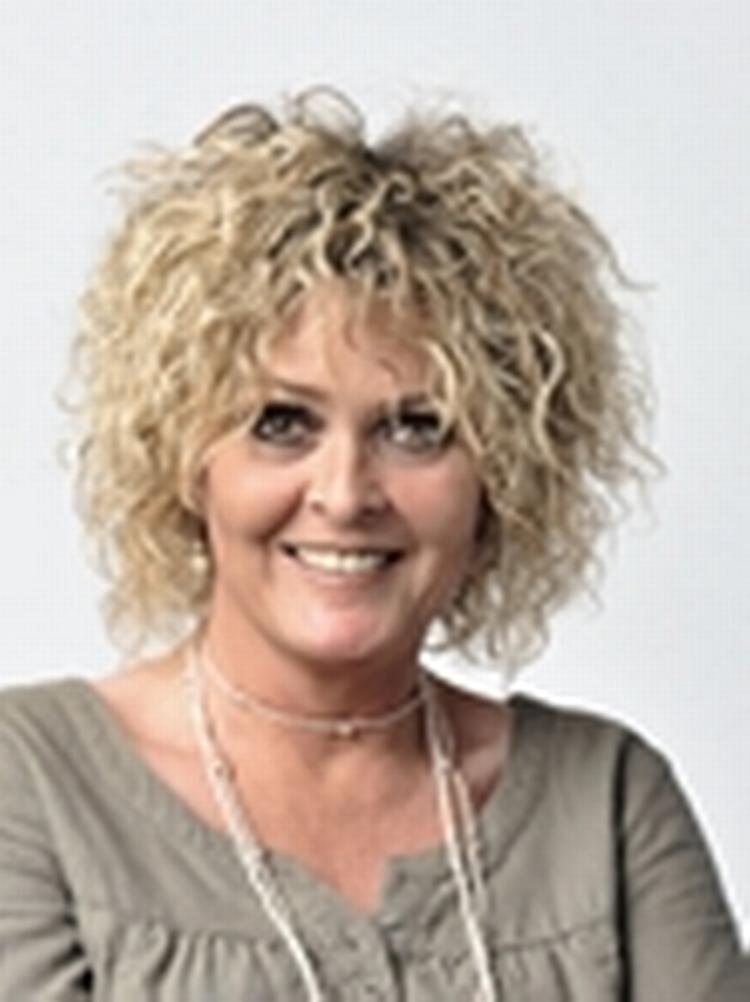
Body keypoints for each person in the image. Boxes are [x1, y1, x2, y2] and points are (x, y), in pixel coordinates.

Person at [0, 89, 746, 1001]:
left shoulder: (606, 807)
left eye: (417, 428)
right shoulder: (28, 786)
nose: (346, 494)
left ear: (504, 472)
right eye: (282, 423)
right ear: (186, 457)